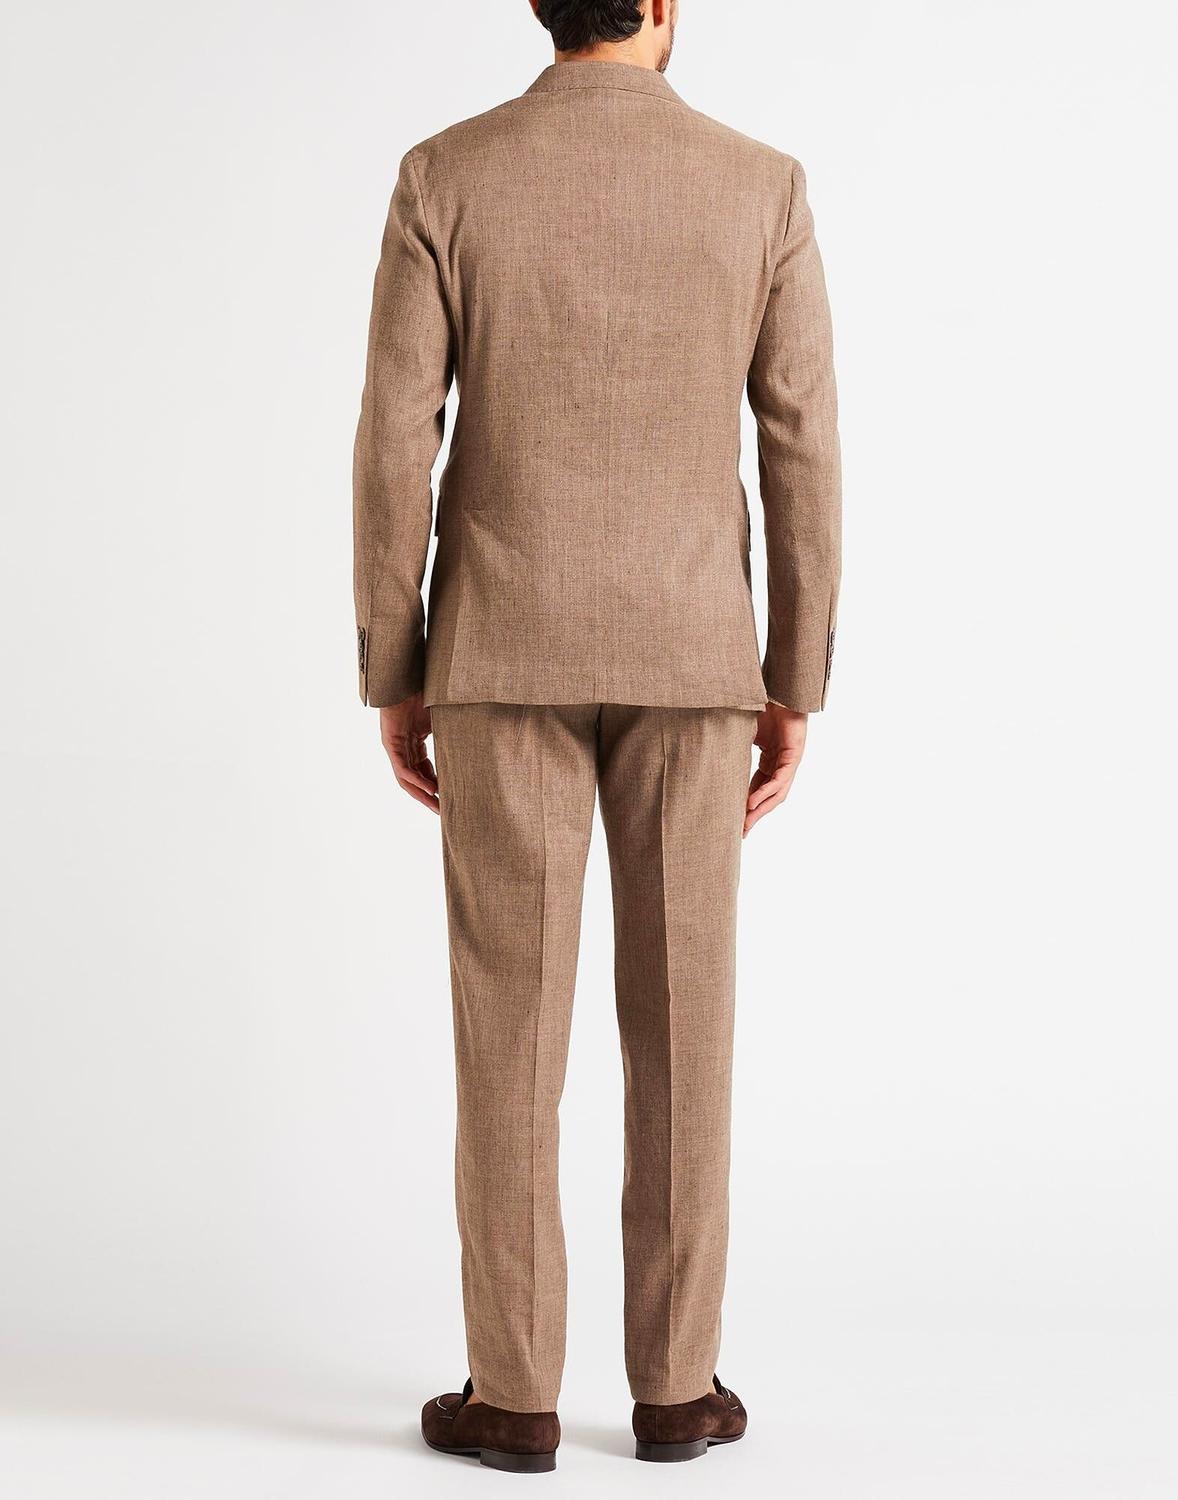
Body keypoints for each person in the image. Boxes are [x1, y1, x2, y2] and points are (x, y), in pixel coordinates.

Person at [353, 0, 840, 1472]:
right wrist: (793, 677)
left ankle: (512, 1396)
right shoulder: (760, 186)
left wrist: (395, 665)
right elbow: (801, 443)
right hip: (695, 657)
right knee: (686, 1025)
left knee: (508, 1029)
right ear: (663, 5)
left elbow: (395, 440)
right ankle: (677, 1390)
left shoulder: (447, 174)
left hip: (499, 652)